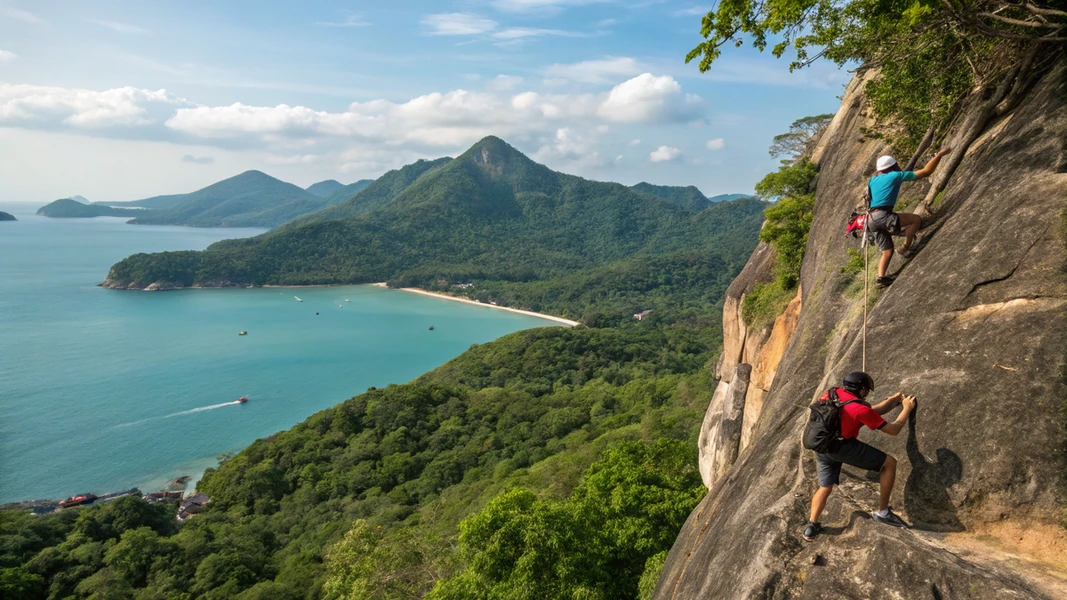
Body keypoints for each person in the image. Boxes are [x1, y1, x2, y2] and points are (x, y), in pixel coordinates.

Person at [802, 371, 916, 541]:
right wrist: (907, 408)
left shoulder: (833, 393)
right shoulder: (859, 409)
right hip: (843, 447)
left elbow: (867, 412)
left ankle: (811, 526)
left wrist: (893, 400)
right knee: (889, 463)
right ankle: (883, 512)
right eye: (867, 391)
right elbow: (893, 429)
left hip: (823, 445)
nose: (867, 393)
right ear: (862, 391)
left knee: (825, 486)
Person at [867, 148, 951, 288]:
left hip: (871, 219)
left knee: (887, 251)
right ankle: (906, 247)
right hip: (883, 214)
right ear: (892, 167)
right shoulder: (894, 175)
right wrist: (939, 155)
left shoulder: (872, 180)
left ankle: (881, 278)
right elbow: (925, 172)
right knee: (916, 219)